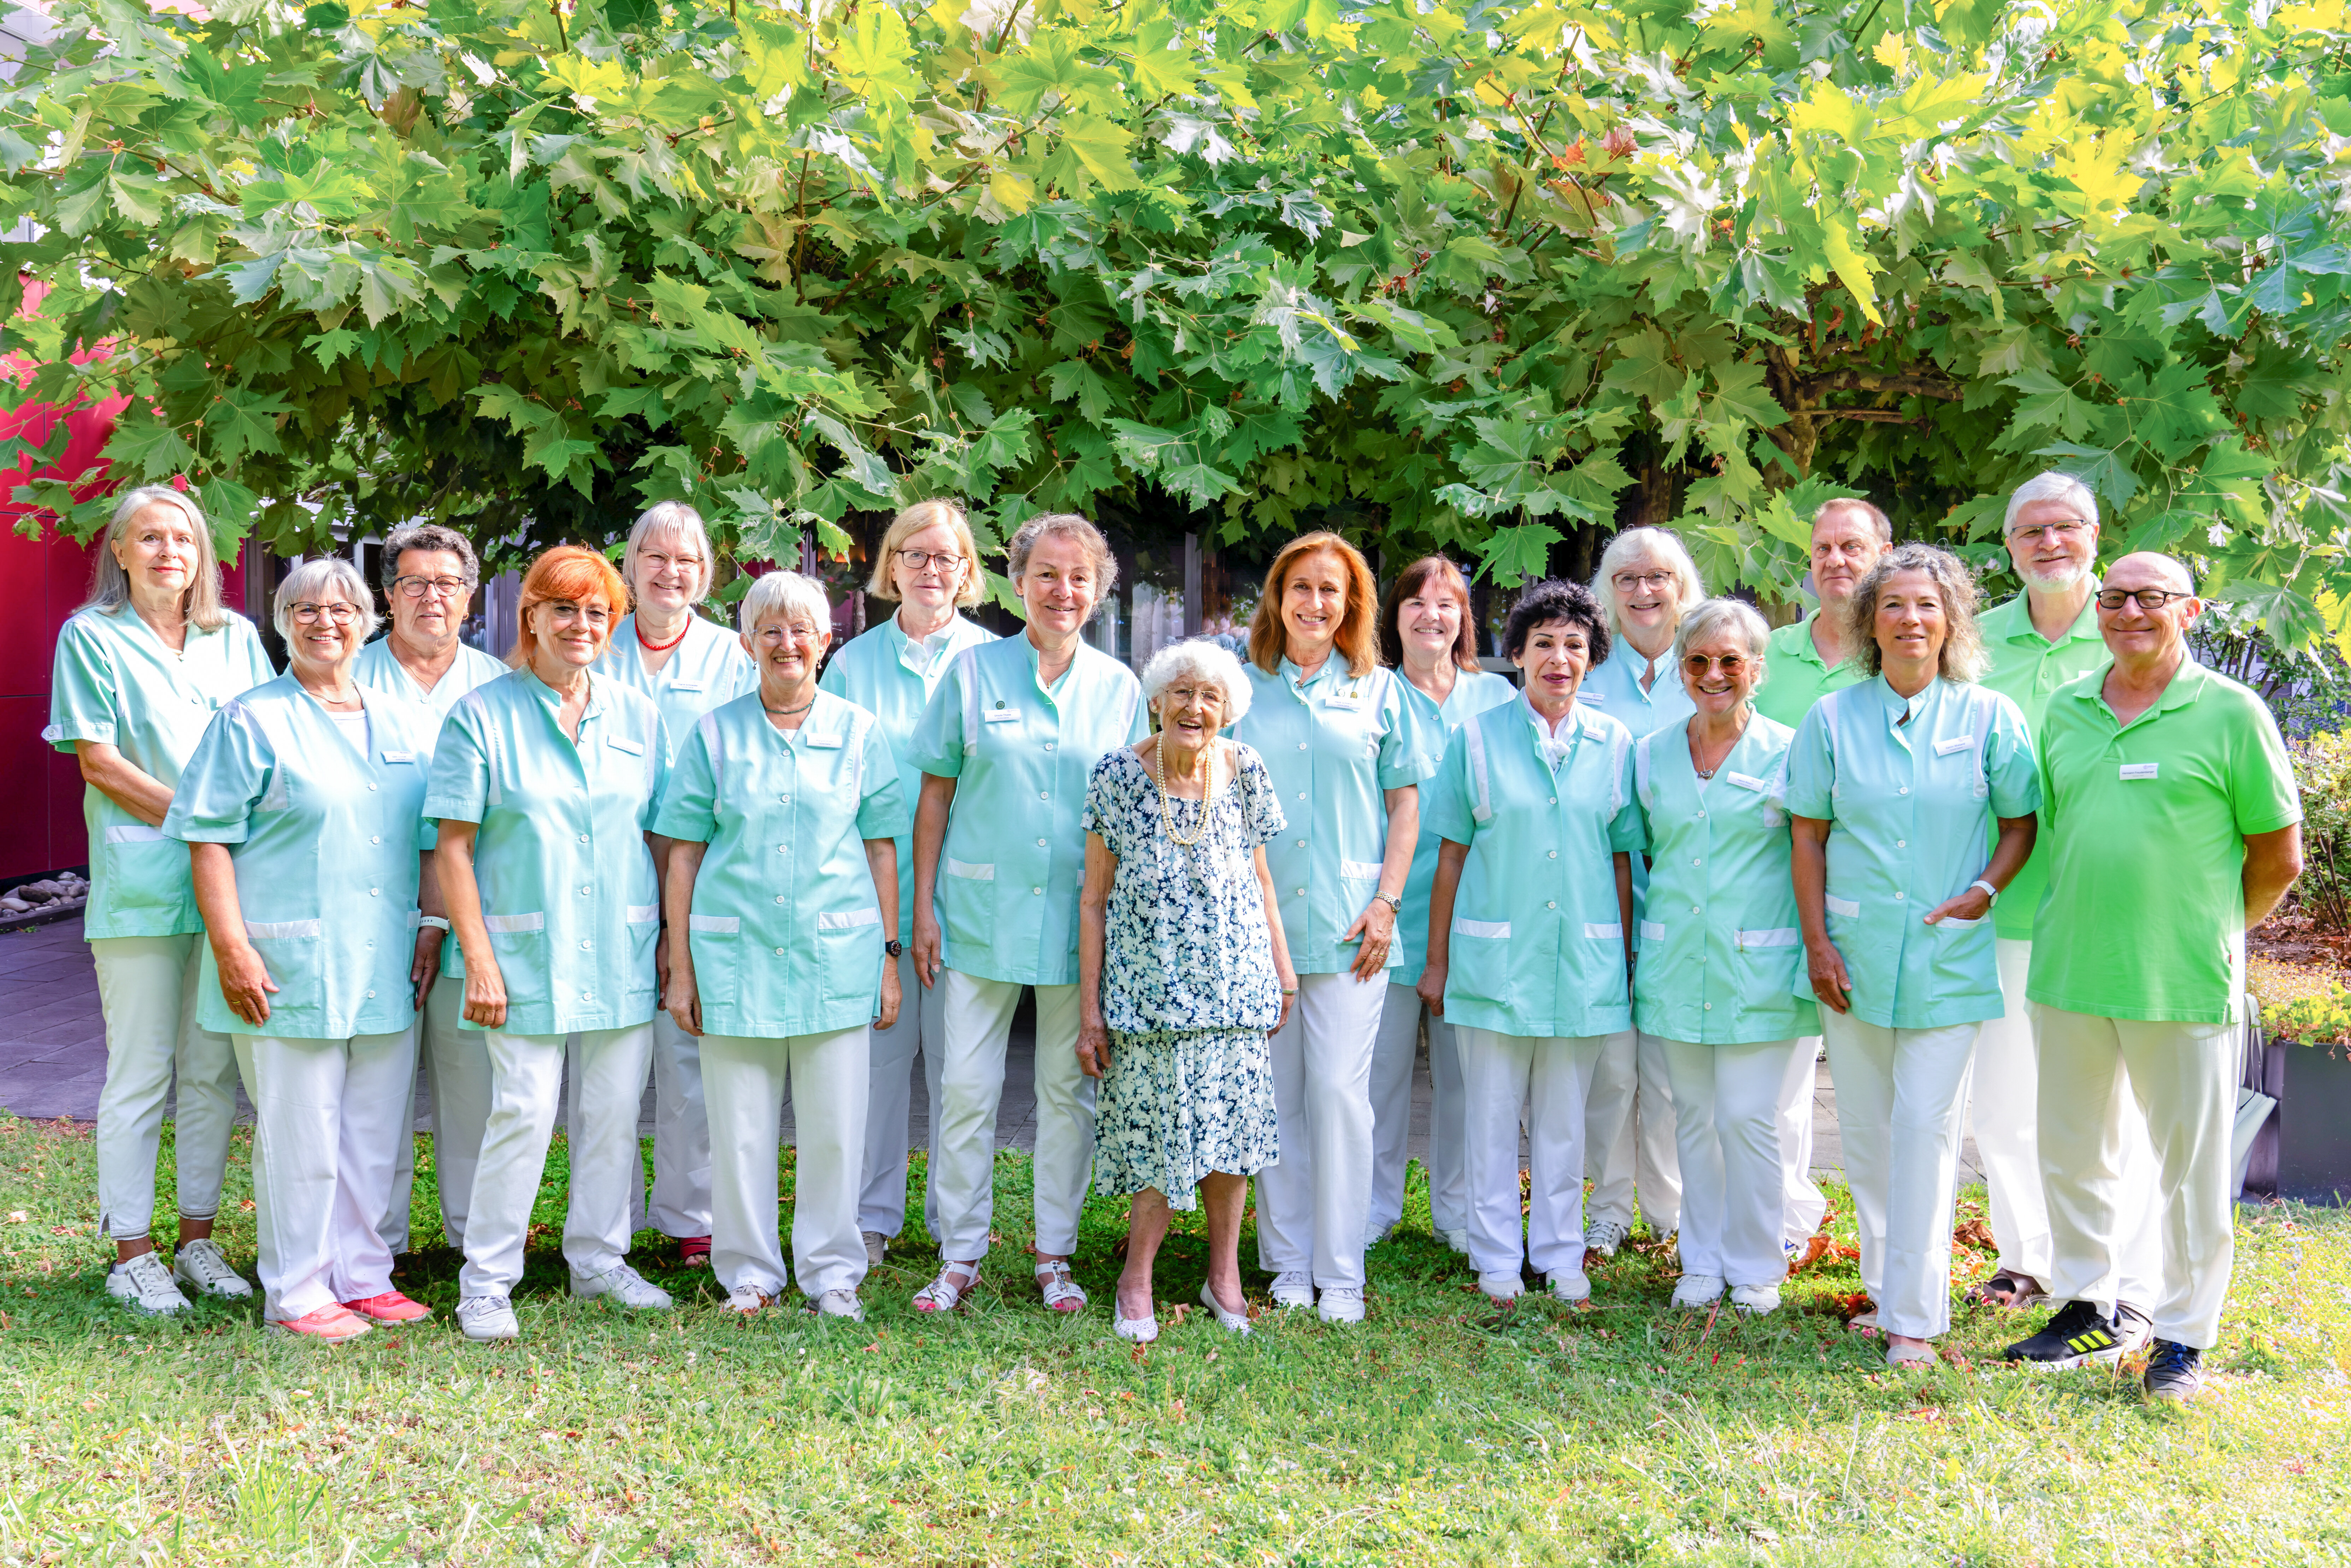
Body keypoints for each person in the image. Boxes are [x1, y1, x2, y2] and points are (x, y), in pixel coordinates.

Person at [2007, 554, 2302, 1402]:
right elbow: (2061, 831)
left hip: (2181, 981)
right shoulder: (2066, 711)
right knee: (2070, 1153)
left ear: (2192, 609)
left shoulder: (2232, 713)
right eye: (2115, 597)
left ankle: (2182, 1336)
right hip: (2068, 970)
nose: (2130, 610)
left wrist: (2210, 931)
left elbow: (2277, 856)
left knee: (2191, 1170)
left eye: (2152, 597)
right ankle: (2088, 1304)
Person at [165, 558, 443, 1340]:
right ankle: (296, 1289)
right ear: (282, 623)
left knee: (372, 1131)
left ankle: (362, 1275)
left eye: (343, 608)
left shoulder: (404, 720)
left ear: (369, 621)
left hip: (386, 959)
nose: (327, 622)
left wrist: (434, 925)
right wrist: (232, 948)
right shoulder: (251, 719)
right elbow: (209, 840)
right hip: (284, 963)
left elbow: (430, 839)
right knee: (303, 1132)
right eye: (307, 609)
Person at [1788, 543, 2039, 1368]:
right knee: (1866, 1133)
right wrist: (1818, 941)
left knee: (1927, 1130)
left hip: (1947, 956)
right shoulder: (1831, 720)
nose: (1910, 620)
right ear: (1870, 621)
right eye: (1893, 605)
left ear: (1952, 620)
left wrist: (1987, 889)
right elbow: (1808, 836)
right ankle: (1887, 1290)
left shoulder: (1990, 717)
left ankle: (1916, 1320)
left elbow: (2020, 824)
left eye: (1927, 605)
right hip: (1851, 957)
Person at [426, 545, 673, 1343]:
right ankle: (488, 1280)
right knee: (524, 1114)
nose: (581, 625)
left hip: (622, 950)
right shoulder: (482, 715)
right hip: (522, 959)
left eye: (598, 612)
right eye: (563, 609)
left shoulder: (637, 714)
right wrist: (481, 960)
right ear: (529, 616)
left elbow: (663, 840)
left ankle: (599, 1259)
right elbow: (453, 848)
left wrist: (673, 940)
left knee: (611, 1115)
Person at [906, 513, 1146, 1315]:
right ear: (1017, 582)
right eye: (1047, 574)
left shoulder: (1119, 690)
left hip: (1083, 928)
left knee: (1065, 1092)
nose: (1062, 590)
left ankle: (1055, 1256)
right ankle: (961, 1254)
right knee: (966, 1088)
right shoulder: (972, 677)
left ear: (1099, 590)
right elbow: (934, 795)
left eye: (1079, 577)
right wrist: (925, 907)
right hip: (977, 915)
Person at [46, 484, 275, 1314]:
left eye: (182, 538)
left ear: (203, 556)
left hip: (229, 888)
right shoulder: (92, 638)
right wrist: (201, 822)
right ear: (120, 551)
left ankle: (198, 1241)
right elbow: (99, 762)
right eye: (149, 538)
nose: (168, 552)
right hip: (142, 887)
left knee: (213, 1070)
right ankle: (132, 1251)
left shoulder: (237, 639)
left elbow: (267, 740)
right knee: (142, 1070)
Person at [656, 572, 907, 1321]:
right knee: (739, 1129)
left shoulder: (860, 732)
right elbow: (685, 857)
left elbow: (883, 851)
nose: (787, 643)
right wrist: (681, 967)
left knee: (836, 1128)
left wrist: (890, 960)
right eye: (771, 630)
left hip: (838, 957)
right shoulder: (715, 734)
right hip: (735, 958)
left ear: (826, 641)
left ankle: (833, 1273)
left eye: (802, 630)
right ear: (748, 643)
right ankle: (751, 1274)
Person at [1968, 473, 2162, 1323]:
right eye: (2031, 532)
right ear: (2008, 548)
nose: (2050, 543)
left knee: (2109, 1108)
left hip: (2105, 912)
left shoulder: (2127, 629)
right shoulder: (1975, 642)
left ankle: (2119, 1273)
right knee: (2005, 1101)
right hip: (2004, 904)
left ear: (2095, 536)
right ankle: (2028, 1259)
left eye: (2066, 527)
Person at [1416, 579, 1640, 1305]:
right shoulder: (1475, 740)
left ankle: (1558, 1253)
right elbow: (1449, 854)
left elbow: (1620, 857)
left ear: (1592, 658)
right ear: (1516, 654)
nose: (1559, 658)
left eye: (1574, 645)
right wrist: (1439, 963)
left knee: (1564, 1120)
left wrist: (1625, 959)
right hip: (1494, 961)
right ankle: (1495, 1258)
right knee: (1488, 1117)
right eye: (1543, 643)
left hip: (1583, 962)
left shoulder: (1615, 745)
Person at [1232, 531, 1436, 1323]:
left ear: (1354, 605)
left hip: (1355, 933)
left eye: (1333, 590)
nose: (1316, 604)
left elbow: (1406, 807)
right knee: (1276, 1100)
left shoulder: (1383, 693)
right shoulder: (1241, 690)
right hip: (1260, 929)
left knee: (1342, 1097)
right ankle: (1286, 1265)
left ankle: (1341, 1271)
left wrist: (1386, 902)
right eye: (1302, 587)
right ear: (1278, 596)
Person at [1077, 639, 1296, 1341]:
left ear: (1227, 711)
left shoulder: (1246, 769)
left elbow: (1262, 880)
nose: (1194, 708)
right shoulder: (1116, 775)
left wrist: (1283, 971)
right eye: (1182, 693)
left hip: (1235, 991)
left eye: (1209, 697)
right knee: (1160, 1139)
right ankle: (1135, 1276)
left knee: (1232, 1138)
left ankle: (1223, 1276)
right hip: (1150, 999)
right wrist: (1091, 1012)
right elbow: (1093, 899)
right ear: (1157, 701)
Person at [820, 500, 997, 1272]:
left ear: (968, 572)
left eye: (947, 557)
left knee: (963, 1070)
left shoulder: (995, 660)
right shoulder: (855, 664)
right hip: (874, 889)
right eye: (915, 555)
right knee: (879, 1062)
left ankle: (958, 1226)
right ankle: (870, 1217)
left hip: (973, 892)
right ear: (890, 568)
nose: (932, 570)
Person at [1631, 599, 1817, 1315]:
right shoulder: (1650, 756)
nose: (1715, 674)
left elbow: (1814, 853)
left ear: (1757, 670)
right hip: (1678, 964)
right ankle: (1700, 1261)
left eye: (1730, 661)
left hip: (1759, 969)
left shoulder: (1792, 750)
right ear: (1681, 670)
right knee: (1693, 1117)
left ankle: (1757, 1264)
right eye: (1699, 661)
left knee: (1748, 1117)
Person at [597, 501, 758, 1268]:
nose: (670, 572)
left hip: (703, 875)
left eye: (687, 561)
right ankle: (609, 1219)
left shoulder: (735, 656)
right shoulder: (595, 645)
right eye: (655, 558)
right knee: (611, 1057)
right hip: (605, 872)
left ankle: (693, 1216)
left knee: (691, 1055)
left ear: (707, 575)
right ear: (630, 566)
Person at [355, 522, 511, 1264]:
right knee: (376, 1091)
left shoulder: (500, 687)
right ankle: (374, 1250)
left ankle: (473, 1243)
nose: (430, 598)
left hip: (470, 915)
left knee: (471, 1084)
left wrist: (444, 916)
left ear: (471, 595)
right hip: (374, 913)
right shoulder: (349, 678)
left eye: (447, 583)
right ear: (389, 596)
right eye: (413, 583)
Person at [1366, 557, 1515, 1255]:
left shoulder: (1497, 703)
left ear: (1465, 619)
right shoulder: (1370, 695)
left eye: (1448, 604)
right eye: (1417, 603)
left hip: (1475, 923)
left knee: (1467, 1082)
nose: (1432, 615)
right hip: (1386, 918)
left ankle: (1458, 1213)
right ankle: (1373, 1208)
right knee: (1381, 1077)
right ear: (1393, 619)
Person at [1577, 527, 1704, 1258]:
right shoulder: (1587, 680)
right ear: (1608, 592)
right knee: (1611, 1069)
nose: (1643, 591)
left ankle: (1668, 1207)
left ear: (1681, 587)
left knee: (1668, 1070)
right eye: (1626, 578)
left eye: (1658, 577)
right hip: (1602, 896)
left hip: (1689, 899)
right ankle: (1609, 1207)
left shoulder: (1706, 672)